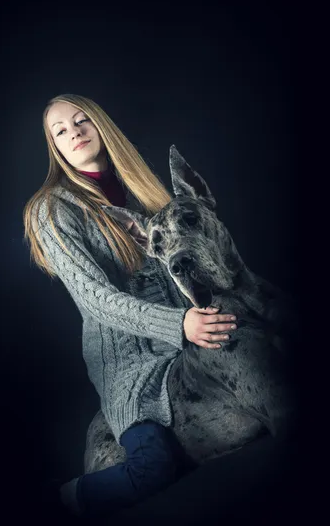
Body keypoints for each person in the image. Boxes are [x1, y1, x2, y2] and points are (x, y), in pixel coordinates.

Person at [23, 93, 238, 519]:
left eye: (82, 120)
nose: (75, 133)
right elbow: (97, 301)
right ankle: (58, 500)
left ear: (100, 124)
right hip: (131, 366)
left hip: (190, 341)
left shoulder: (144, 188)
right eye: (60, 131)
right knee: (153, 469)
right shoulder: (51, 210)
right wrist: (180, 324)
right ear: (55, 147)